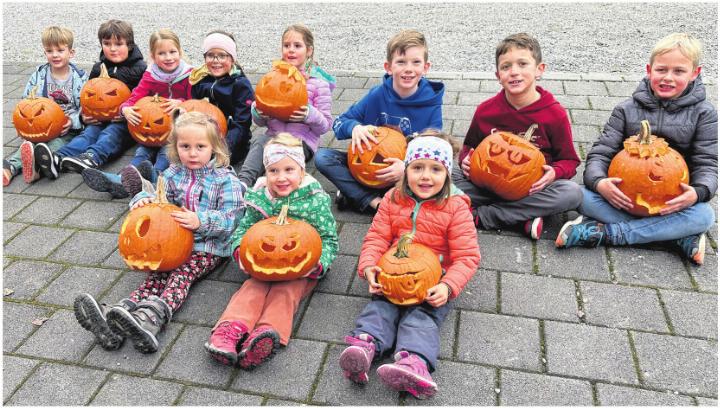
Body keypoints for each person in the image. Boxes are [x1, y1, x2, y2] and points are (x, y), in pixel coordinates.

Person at [73, 111, 244, 353]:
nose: (192, 153)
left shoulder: (226, 181)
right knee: (156, 276)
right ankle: (117, 315)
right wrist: (144, 200)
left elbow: (232, 219)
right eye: (185, 146)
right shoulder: (173, 173)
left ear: (214, 148)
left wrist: (200, 220)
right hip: (173, 243)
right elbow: (160, 200)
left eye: (200, 146)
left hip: (207, 246)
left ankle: (152, 318)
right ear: (175, 147)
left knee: (180, 276)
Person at [339, 130, 479, 399]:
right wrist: (369, 267)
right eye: (417, 168)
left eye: (435, 169)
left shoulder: (456, 207)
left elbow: (467, 256)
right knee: (379, 308)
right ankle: (365, 345)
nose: (425, 176)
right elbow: (377, 237)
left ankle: (413, 362)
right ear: (406, 170)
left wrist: (449, 287)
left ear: (447, 174)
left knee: (421, 319)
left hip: (434, 281)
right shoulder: (393, 199)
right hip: (393, 274)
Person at [556, 33, 717, 265]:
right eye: (661, 70)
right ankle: (673, 236)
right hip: (623, 200)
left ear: (695, 73)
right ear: (649, 70)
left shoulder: (705, 114)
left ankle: (608, 233)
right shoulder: (625, 110)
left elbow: (707, 163)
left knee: (704, 215)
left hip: (671, 204)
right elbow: (600, 153)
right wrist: (600, 183)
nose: (668, 78)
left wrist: (698, 192)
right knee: (577, 194)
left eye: (679, 71)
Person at [205, 133, 338, 369]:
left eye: (289, 170)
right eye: (273, 171)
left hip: (301, 267)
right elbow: (243, 229)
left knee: (286, 293)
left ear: (302, 171)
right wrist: (239, 251)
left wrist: (319, 263)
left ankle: (266, 334)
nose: (281, 177)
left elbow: (329, 238)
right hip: (263, 264)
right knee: (251, 289)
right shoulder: (260, 197)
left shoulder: (315, 200)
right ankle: (230, 330)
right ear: (265, 173)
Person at [453, 32, 582, 240]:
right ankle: (523, 215)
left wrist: (554, 173)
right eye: (506, 67)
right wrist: (465, 160)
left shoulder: (554, 114)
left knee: (572, 193)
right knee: (445, 175)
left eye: (522, 64)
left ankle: (485, 216)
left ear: (539, 70)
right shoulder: (486, 111)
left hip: (530, 189)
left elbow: (570, 160)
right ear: (498, 76)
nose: (514, 72)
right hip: (486, 183)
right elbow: (469, 146)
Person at [314, 29, 444, 214]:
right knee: (323, 158)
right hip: (366, 166)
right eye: (401, 62)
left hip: (402, 172)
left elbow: (436, 151)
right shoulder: (377, 94)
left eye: (416, 62)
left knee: (438, 182)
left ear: (426, 67)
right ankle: (373, 201)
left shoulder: (431, 103)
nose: (408, 68)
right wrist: (354, 127)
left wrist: (407, 168)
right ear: (388, 67)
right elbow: (338, 124)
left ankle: (354, 193)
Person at [81, 28, 193, 198]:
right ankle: (120, 180)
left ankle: (154, 179)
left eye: (172, 52)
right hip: (151, 129)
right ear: (153, 56)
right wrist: (124, 109)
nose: (168, 57)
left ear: (180, 52)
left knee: (166, 155)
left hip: (176, 132)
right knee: (142, 153)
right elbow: (134, 98)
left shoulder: (189, 75)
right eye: (162, 53)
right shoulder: (150, 76)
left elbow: (199, 101)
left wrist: (182, 103)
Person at [32, 20, 146, 182]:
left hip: (124, 122)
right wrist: (84, 115)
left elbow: (145, 97)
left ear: (129, 45)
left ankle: (92, 157)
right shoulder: (98, 68)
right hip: (99, 118)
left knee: (110, 135)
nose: (112, 49)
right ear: (101, 45)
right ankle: (57, 158)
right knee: (88, 134)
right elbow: (88, 95)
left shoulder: (140, 69)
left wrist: (128, 111)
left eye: (118, 44)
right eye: (107, 44)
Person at [238, 24, 335, 192]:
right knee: (260, 142)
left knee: (282, 157)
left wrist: (309, 114)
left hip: (301, 141)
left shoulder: (319, 84)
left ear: (309, 50)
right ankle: (242, 184)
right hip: (273, 135)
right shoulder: (273, 77)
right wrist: (258, 112)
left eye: (297, 46)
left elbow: (325, 126)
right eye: (286, 45)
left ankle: (269, 186)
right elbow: (260, 122)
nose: (291, 50)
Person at [3, 26, 87, 186]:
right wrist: (22, 123)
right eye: (49, 50)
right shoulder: (39, 75)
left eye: (60, 50)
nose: (55, 54)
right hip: (40, 125)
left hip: (65, 129)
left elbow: (85, 108)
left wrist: (72, 122)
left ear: (71, 52)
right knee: (29, 145)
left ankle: (36, 170)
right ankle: (10, 167)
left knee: (51, 148)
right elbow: (26, 100)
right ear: (45, 53)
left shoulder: (80, 79)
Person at [189, 29, 254, 165]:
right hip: (202, 139)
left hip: (231, 141)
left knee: (211, 163)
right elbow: (192, 109)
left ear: (232, 58)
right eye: (210, 55)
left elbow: (241, 124)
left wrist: (224, 148)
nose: (216, 61)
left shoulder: (241, 85)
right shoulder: (200, 80)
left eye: (222, 56)